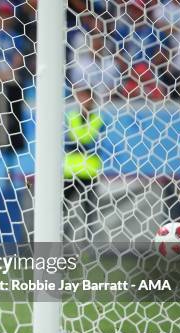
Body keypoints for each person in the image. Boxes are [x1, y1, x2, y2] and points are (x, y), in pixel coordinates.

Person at [64, 87, 104, 241]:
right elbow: (73, 139)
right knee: (62, 207)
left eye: (85, 97)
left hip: (89, 171)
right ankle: (61, 238)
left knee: (89, 209)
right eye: (80, 97)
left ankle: (88, 243)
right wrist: (80, 144)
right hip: (71, 171)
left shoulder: (98, 119)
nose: (82, 100)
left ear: (92, 99)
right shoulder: (71, 116)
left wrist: (77, 143)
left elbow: (89, 140)